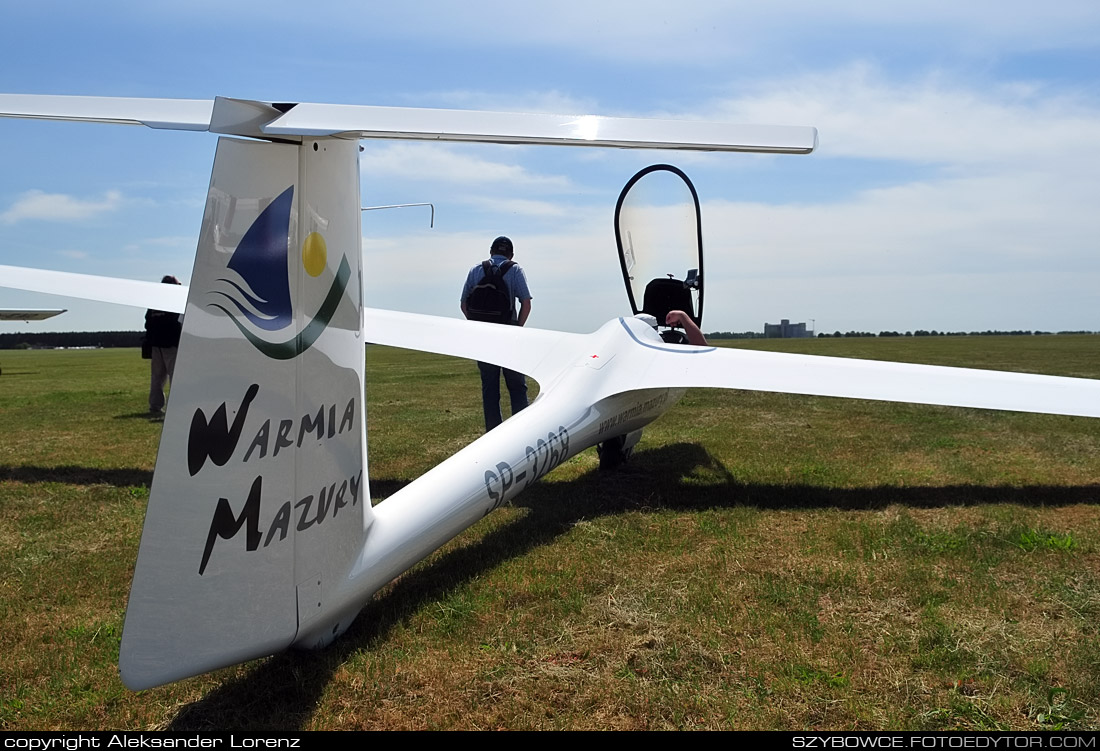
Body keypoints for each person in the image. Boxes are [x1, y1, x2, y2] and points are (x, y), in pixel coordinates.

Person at [460, 236, 533, 432]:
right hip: (509, 333)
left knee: (490, 388)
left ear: (491, 251)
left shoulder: (476, 270)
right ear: (511, 254)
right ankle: (521, 431)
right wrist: (517, 327)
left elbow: (464, 303)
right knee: (517, 387)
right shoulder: (515, 269)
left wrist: (478, 326)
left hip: (484, 336)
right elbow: (526, 303)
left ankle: (493, 433)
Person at [145, 275, 183, 414]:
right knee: (175, 375)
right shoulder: (174, 301)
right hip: (171, 344)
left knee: (157, 377)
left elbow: (147, 322)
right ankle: (176, 407)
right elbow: (177, 321)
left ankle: (155, 405)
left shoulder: (155, 302)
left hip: (156, 345)